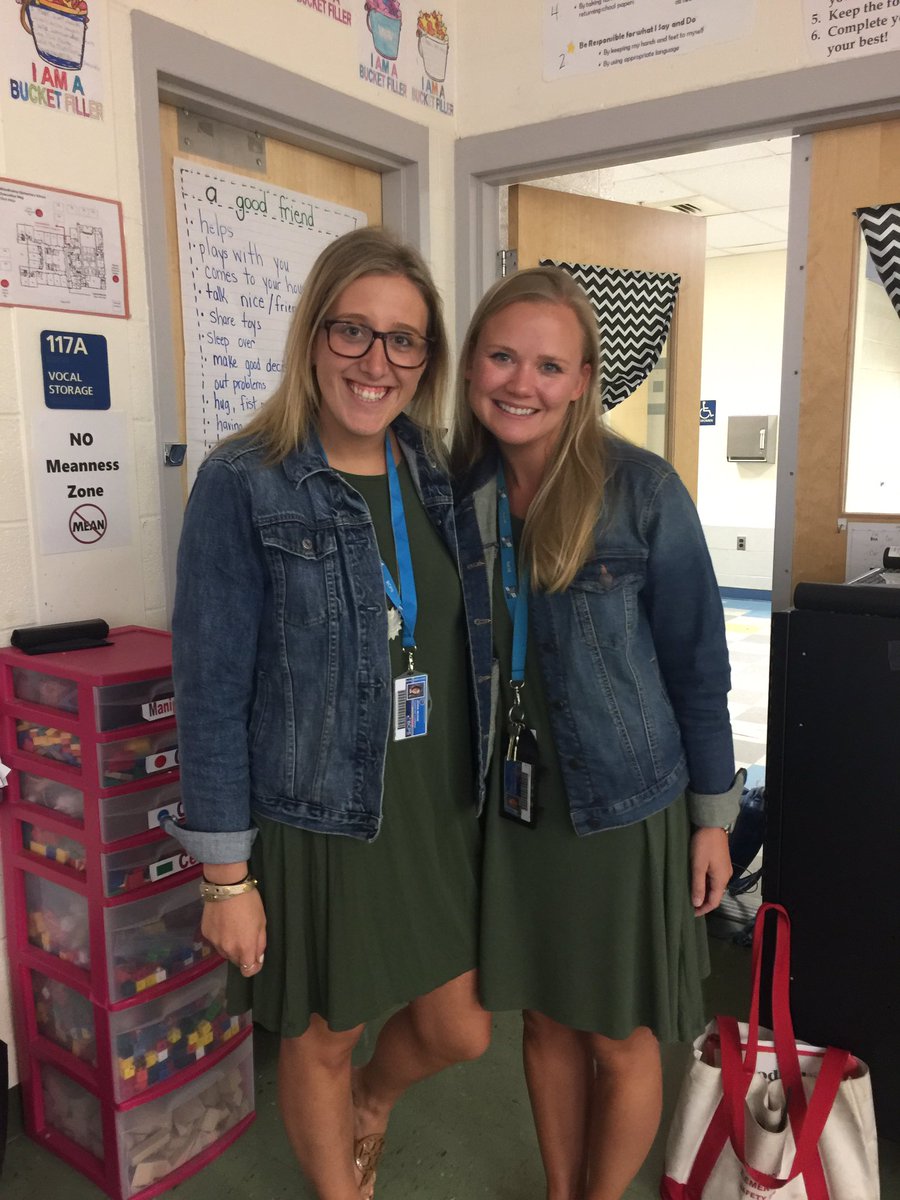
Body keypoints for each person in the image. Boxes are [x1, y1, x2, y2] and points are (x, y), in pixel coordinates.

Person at [168, 227, 492, 1200]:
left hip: (434, 811)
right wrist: (227, 879)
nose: (375, 361)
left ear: (425, 361)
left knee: (461, 1027)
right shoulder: (244, 481)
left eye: (403, 341)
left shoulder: (433, 472)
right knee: (325, 1035)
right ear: (314, 335)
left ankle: (376, 1100)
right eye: (353, 331)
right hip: (319, 815)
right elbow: (211, 688)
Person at [450, 266, 744, 1200]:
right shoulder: (454, 495)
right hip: (514, 805)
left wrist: (713, 818)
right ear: (471, 367)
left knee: (619, 1036)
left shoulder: (642, 491)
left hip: (622, 803)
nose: (520, 382)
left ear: (582, 381)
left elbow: (700, 665)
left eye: (548, 364)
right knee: (543, 1024)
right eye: (502, 356)